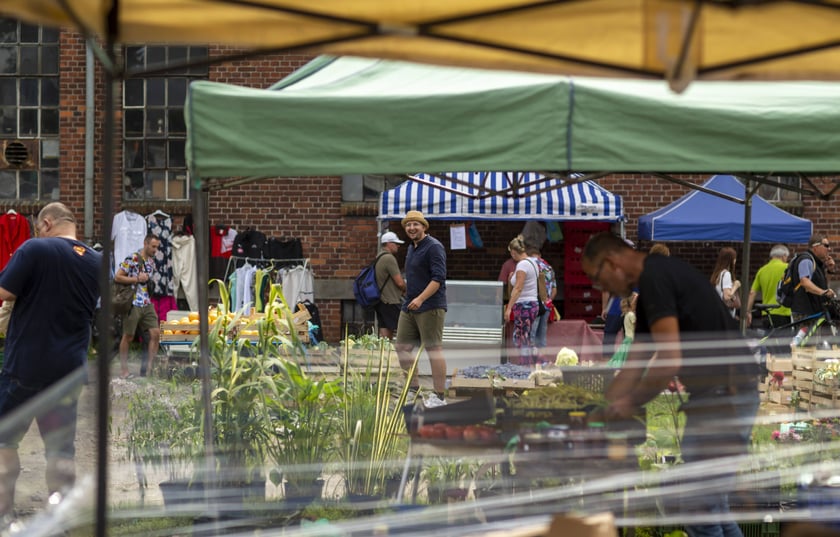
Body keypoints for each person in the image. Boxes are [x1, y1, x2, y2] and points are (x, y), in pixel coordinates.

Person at [582, 232, 759, 537]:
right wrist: (600, 407)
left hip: (725, 400)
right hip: (723, 396)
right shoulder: (655, 282)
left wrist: (628, 403)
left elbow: (668, 360)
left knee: (698, 510)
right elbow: (635, 365)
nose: (603, 289)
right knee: (712, 508)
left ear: (611, 263)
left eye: (598, 279)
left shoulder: (655, 278)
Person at [0, 202, 101, 522]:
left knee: (4, 440)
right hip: (68, 373)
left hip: (25, 369)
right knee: (60, 450)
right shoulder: (97, 262)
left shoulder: (35, 249)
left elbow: (4, 291)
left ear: (46, 223)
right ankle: (60, 519)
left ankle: (4, 514)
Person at [394, 211, 448, 399]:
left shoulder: (434, 247)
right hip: (409, 305)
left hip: (430, 305)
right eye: (408, 225)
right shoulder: (412, 248)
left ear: (424, 227)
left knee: (433, 349)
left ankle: (439, 395)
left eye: (415, 224)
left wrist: (421, 298)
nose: (411, 228)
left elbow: (438, 278)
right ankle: (413, 388)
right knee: (402, 346)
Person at [115, 233, 161, 378]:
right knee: (128, 336)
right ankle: (123, 370)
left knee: (155, 333)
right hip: (133, 302)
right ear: (145, 244)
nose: (155, 250)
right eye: (153, 246)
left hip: (147, 302)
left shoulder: (152, 262)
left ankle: (148, 369)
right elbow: (118, 276)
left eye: (157, 247)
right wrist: (136, 279)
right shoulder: (133, 258)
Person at [790, 235, 836, 345]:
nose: (829, 249)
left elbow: (822, 286)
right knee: (806, 346)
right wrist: (823, 293)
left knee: (812, 346)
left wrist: (829, 271)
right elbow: (804, 282)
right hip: (805, 311)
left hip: (813, 310)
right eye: (826, 245)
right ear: (815, 247)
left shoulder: (816, 263)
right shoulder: (806, 260)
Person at [504, 235, 540, 365]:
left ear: (514, 252)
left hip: (524, 305)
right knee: (527, 338)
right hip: (533, 304)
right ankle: (532, 364)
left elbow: (518, 288)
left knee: (521, 338)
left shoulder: (522, 265)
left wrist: (508, 308)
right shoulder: (533, 263)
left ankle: (526, 367)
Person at [745, 244, 791, 330]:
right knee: (783, 341)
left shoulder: (762, 270)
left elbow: (752, 293)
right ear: (784, 256)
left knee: (768, 340)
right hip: (783, 312)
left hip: (766, 313)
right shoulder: (787, 268)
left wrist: (748, 312)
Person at [374, 231, 407, 339]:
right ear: (388, 243)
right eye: (396, 243)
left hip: (381, 300)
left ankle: (384, 353)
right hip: (391, 300)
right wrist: (406, 289)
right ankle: (397, 353)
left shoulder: (379, 256)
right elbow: (400, 282)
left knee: (384, 329)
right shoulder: (389, 258)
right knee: (405, 328)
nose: (398, 245)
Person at [526, 244, 556, 361]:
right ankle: (541, 361)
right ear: (540, 255)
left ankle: (530, 361)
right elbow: (554, 289)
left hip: (533, 304)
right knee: (542, 336)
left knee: (531, 334)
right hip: (546, 306)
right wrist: (548, 301)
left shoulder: (531, 265)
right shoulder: (549, 268)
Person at [710, 247, 741, 319]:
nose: (735, 260)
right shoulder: (726, 274)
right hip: (726, 315)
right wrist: (736, 285)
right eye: (734, 258)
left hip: (718, 313)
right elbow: (727, 297)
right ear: (730, 260)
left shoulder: (717, 274)